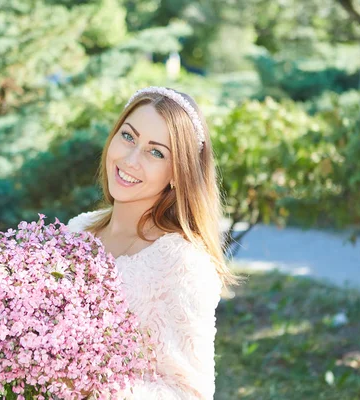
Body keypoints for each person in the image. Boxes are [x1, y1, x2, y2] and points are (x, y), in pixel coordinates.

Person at [66, 86, 241, 399]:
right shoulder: (77, 230)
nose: (131, 159)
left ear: (177, 172)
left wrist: (93, 389)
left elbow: (190, 392)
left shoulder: (183, 263)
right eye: (128, 136)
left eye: (156, 152)